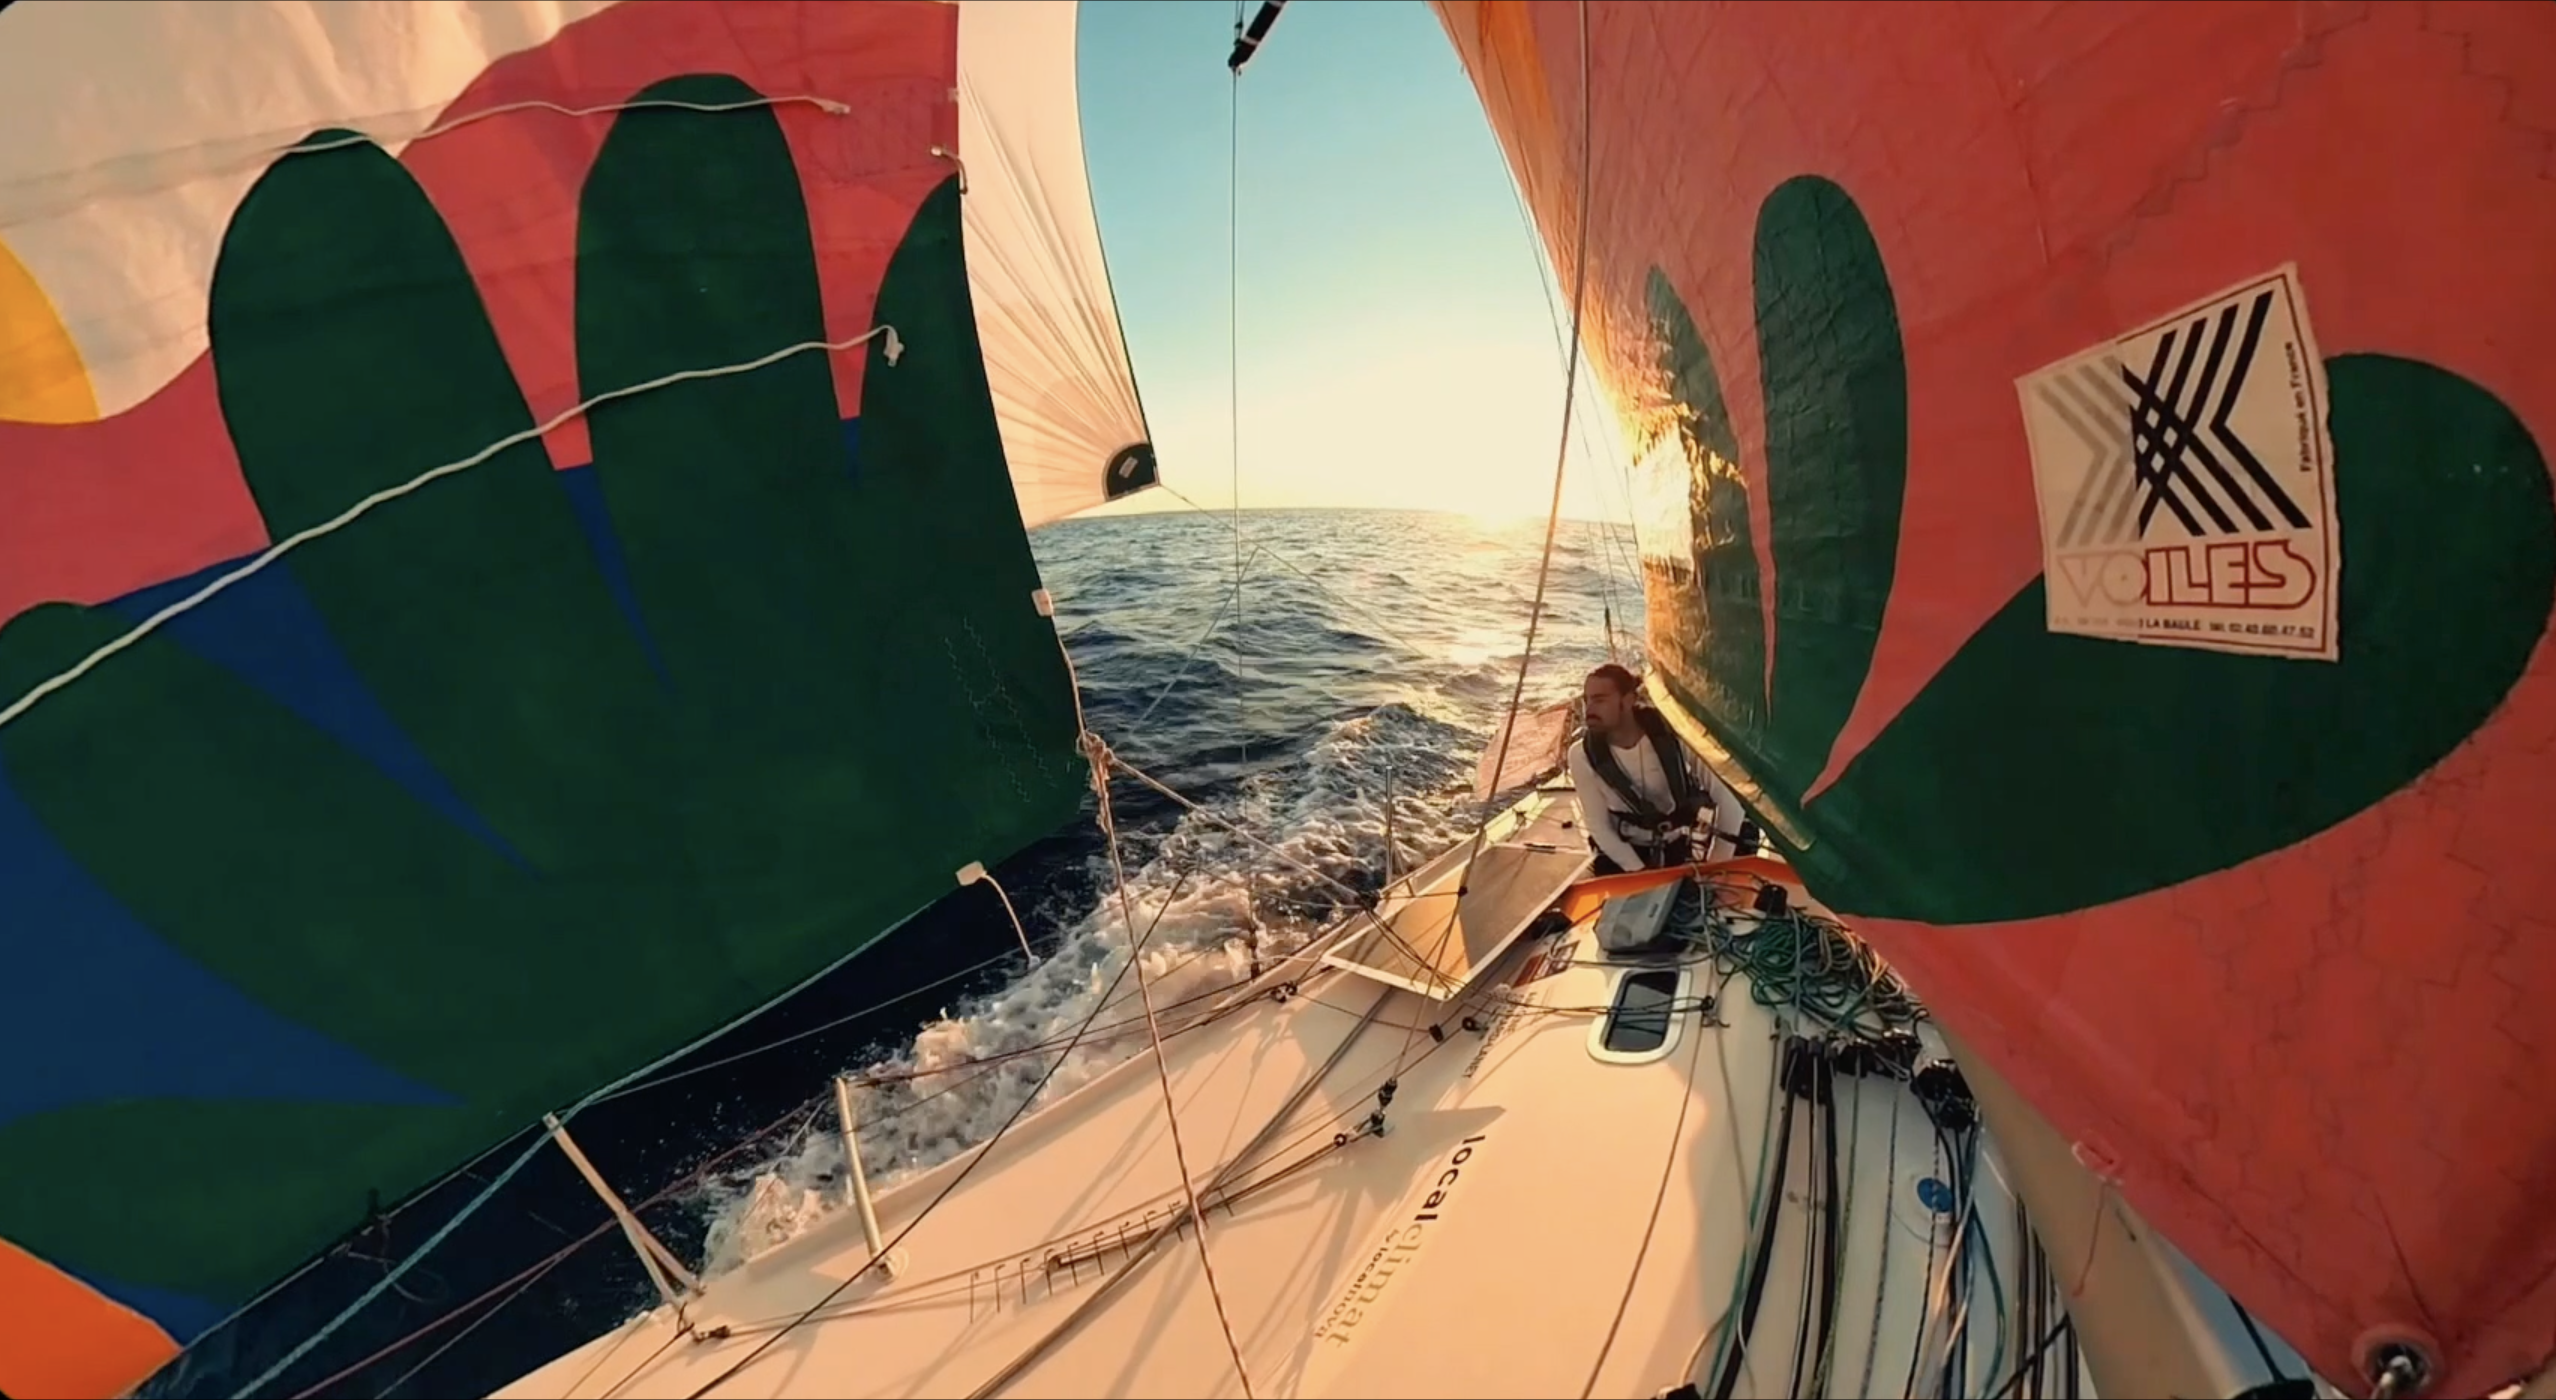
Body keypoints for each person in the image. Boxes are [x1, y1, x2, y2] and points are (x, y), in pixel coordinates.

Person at [1566, 663, 1726, 875]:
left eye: (1599, 700)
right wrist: (1639, 871)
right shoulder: (1581, 754)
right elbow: (1598, 825)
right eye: (1586, 700)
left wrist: (1719, 861)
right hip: (1623, 852)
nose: (1589, 710)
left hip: (1675, 844)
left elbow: (1726, 793)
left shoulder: (1673, 736)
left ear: (1628, 700)